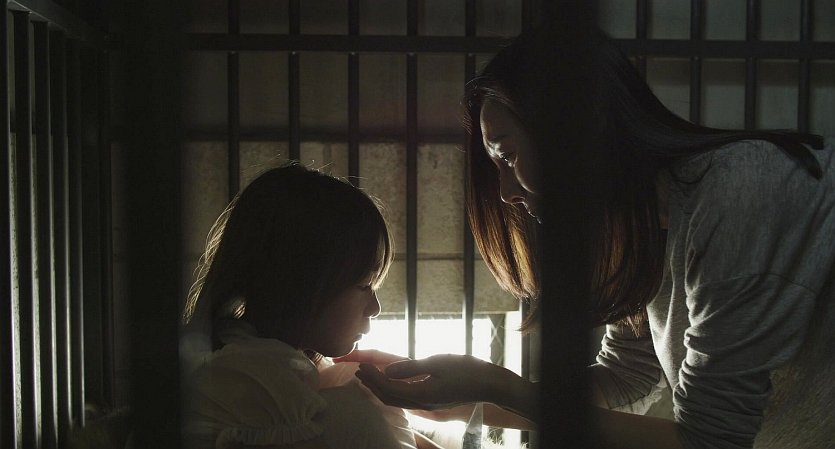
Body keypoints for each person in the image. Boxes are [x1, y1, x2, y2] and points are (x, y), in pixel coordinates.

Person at [338, 26, 835, 449]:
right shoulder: (642, 227)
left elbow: (710, 441)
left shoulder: (738, 192)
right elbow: (625, 378)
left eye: (507, 156)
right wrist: (471, 399)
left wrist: (497, 387)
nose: (506, 192)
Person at [179, 164, 444, 449]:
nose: (375, 308)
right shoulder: (253, 381)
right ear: (301, 282)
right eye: (364, 285)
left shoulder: (270, 365)